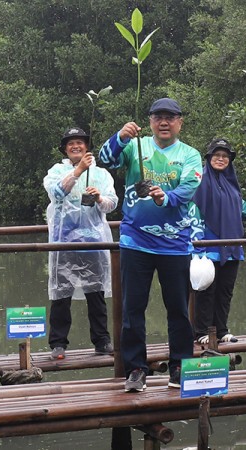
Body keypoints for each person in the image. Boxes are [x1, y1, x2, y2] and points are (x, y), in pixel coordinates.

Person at [99, 98, 202, 392]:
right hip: (136, 242)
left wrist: (164, 198)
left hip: (176, 244)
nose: (164, 122)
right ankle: (136, 369)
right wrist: (120, 138)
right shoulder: (136, 145)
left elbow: (189, 187)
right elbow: (107, 159)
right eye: (158, 117)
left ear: (180, 122)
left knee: (179, 310)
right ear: (151, 121)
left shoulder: (190, 155)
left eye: (170, 117)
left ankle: (179, 365)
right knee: (133, 309)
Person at [43, 127, 117, 361]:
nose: (76, 146)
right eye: (71, 143)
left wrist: (99, 198)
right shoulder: (56, 171)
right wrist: (78, 171)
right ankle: (58, 344)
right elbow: (55, 193)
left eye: (80, 143)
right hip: (63, 242)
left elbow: (112, 204)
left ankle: (102, 341)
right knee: (60, 296)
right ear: (65, 148)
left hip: (94, 243)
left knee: (96, 293)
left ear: (87, 147)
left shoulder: (102, 174)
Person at [190, 138, 245, 345]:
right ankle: (201, 331)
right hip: (207, 246)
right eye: (217, 155)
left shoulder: (232, 183)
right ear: (209, 157)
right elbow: (192, 209)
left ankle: (222, 330)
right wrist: (197, 244)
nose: (221, 159)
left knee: (225, 291)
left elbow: (241, 208)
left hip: (231, 246)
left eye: (225, 156)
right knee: (206, 290)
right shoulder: (200, 180)